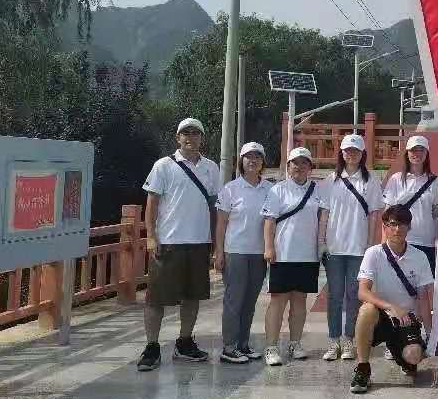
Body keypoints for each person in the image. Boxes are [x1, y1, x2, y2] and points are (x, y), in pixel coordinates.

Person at [137, 117, 220, 372]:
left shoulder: (211, 168)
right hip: (168, 242)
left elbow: (214, 208)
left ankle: (184, 342)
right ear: (177, 138)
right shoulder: (163, 166)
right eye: (186, 133)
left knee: (193, 297)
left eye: (195, 133)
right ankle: (152, 346)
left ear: (201, 138)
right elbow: (151, 204)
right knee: (156, 299)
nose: (190, 137)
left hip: (199, 242)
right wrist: (151, 236)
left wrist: (216, 243)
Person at [350, 205, 435, 394]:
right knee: (366, 309)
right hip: (381, 316)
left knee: (413, 357)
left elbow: (423, 298)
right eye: (393, 224)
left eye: (402, 224)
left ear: (409, 227)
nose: (397, 229)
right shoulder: (373, 253)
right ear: (385, 227)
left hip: (406, 320)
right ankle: (363, 368)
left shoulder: (419, 256)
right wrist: (391, 307)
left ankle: (403, 356)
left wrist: (430, 335)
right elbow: (363, 292)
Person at [317, 134, 385, 363]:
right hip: (334, 248)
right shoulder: (330, 180)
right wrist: (321, 242)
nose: (351, 154)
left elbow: (374, 215)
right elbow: (324, 213)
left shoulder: (370, 181)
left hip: (359, 248)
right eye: (347, 150)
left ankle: (349, 340)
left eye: (355, 151)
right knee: (334, 296)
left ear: (362, 154)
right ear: (341, 153)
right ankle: (333, 340)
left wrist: (370, 244)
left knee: (353, 296)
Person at [260, 146, 322, 367]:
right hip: (283, 254)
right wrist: (269, 247)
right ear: (288, 166)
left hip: (307, 255)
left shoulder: (317, 190)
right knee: (278, 301)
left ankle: (295, 343)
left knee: (300, 301)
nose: (299, 167)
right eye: (295, 163)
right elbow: (269, 221)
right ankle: (271, 346)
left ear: (310, 167)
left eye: (304, 163)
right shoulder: (278, 190)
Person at [214, 141, 272, 364]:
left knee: (249, 302)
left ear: (262, 162)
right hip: (235, 252)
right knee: (234, 300)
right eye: (248, 157)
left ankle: (243, 344)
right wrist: (219, 253)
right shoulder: (230, 189)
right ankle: (229, 347)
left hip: (259, 253)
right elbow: (221, 224)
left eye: (257, 157)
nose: (253, 161)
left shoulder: (270, 189)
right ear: (241, 161)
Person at [382, 135, 438, 274]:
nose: (417, 154)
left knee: (425, 283)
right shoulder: (396, 179)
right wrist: (384, 243)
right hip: (399, 239)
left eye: (421, 150)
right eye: (413, 150)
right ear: (407, 153)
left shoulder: (435, 181)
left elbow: (436, 214)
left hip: (425, 241)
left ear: (426, 153)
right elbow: (386, 215)